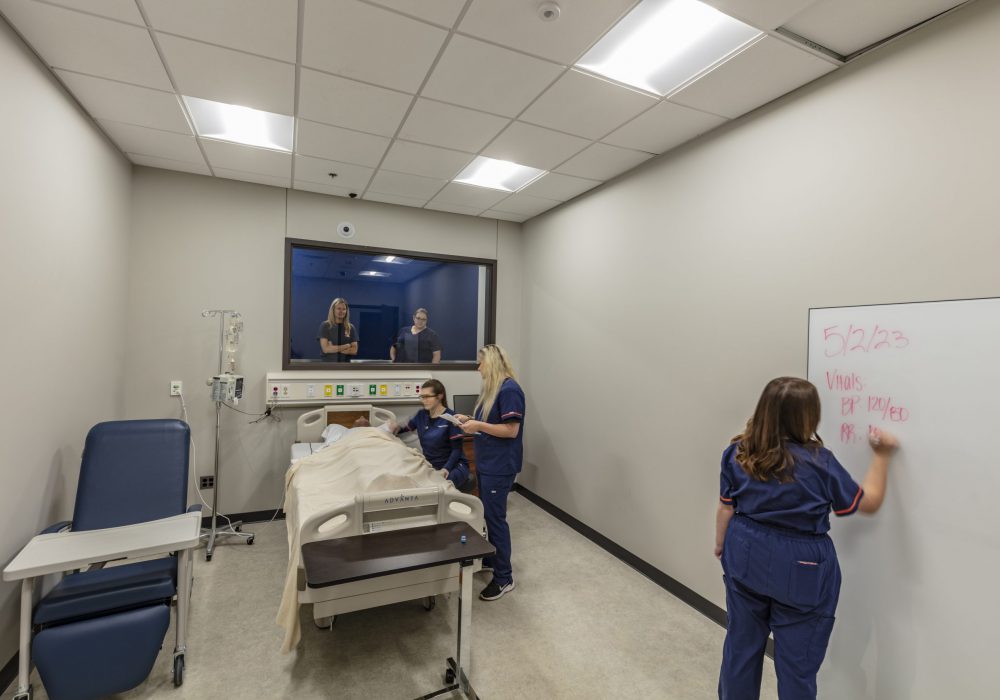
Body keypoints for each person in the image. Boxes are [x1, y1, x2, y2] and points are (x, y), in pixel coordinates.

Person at [715, 377, 899, 700]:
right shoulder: (819, 463)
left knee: (740, 650)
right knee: (796, 667)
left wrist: (721, 544)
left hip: (744, 554)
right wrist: (881, 456)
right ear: (808, 417)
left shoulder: (738, 452)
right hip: (802, 568)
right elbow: (867, 502)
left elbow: (725, 509)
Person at [456, 344, 525, 601]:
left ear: (492, 363)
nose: (478, 368)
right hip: (487, 463)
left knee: (496, 518)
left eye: (480, 363)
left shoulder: (510, 390)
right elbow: (490, 424)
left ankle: (504, 577)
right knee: (486, 515)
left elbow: (510, 430)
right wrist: (468, 420)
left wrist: (479, 426)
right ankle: (491, 558)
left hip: (500, 465)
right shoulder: (493, 391)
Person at [391, 379, 471, 490]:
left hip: (454, 467)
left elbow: (457, 450)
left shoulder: (450, 417)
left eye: (427, 396)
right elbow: (402, 429)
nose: (424, 400)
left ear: (439, 396)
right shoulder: (421, 415)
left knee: (440, 489)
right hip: (432, 467)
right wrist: (389, 428)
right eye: (422, 397)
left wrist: (445, 469)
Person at [317, 298, 358, 362]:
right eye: (338, 308)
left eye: (344, 309)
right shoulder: (325, 326)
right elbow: (326, 349)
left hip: (346, 367)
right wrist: (347, 346)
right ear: (333, 310)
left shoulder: (350, 327)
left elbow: (354, 350)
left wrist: (333, 348)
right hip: (328, 367)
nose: (341, 311)